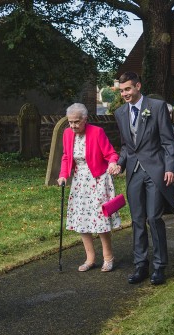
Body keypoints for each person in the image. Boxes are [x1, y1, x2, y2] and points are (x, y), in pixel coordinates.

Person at [112, 72, 174, 285]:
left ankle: (159, 266)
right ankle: (141, 265)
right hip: (134, 173)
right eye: (122, 91)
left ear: (138, 86)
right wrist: (120, 164)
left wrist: (170, 168)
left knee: (153, 218)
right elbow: (125, 146)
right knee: (137, 220)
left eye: (128, 89)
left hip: (155, 171)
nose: (125, 94)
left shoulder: (157, 107)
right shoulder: (120, 113)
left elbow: (169, 142)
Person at [57, 103, 121, 272]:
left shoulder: (97, 132)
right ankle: (90, 258)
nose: (73, 125)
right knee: (82, 220)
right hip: (80, 182)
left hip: (98, 180)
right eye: (70, 122)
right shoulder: (67, 134)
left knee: (100, 220)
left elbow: (111, 153)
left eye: (76, 122)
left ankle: (108, 257)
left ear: (85, 119)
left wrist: (113, 162)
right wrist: (63, 175)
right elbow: (66, 156)